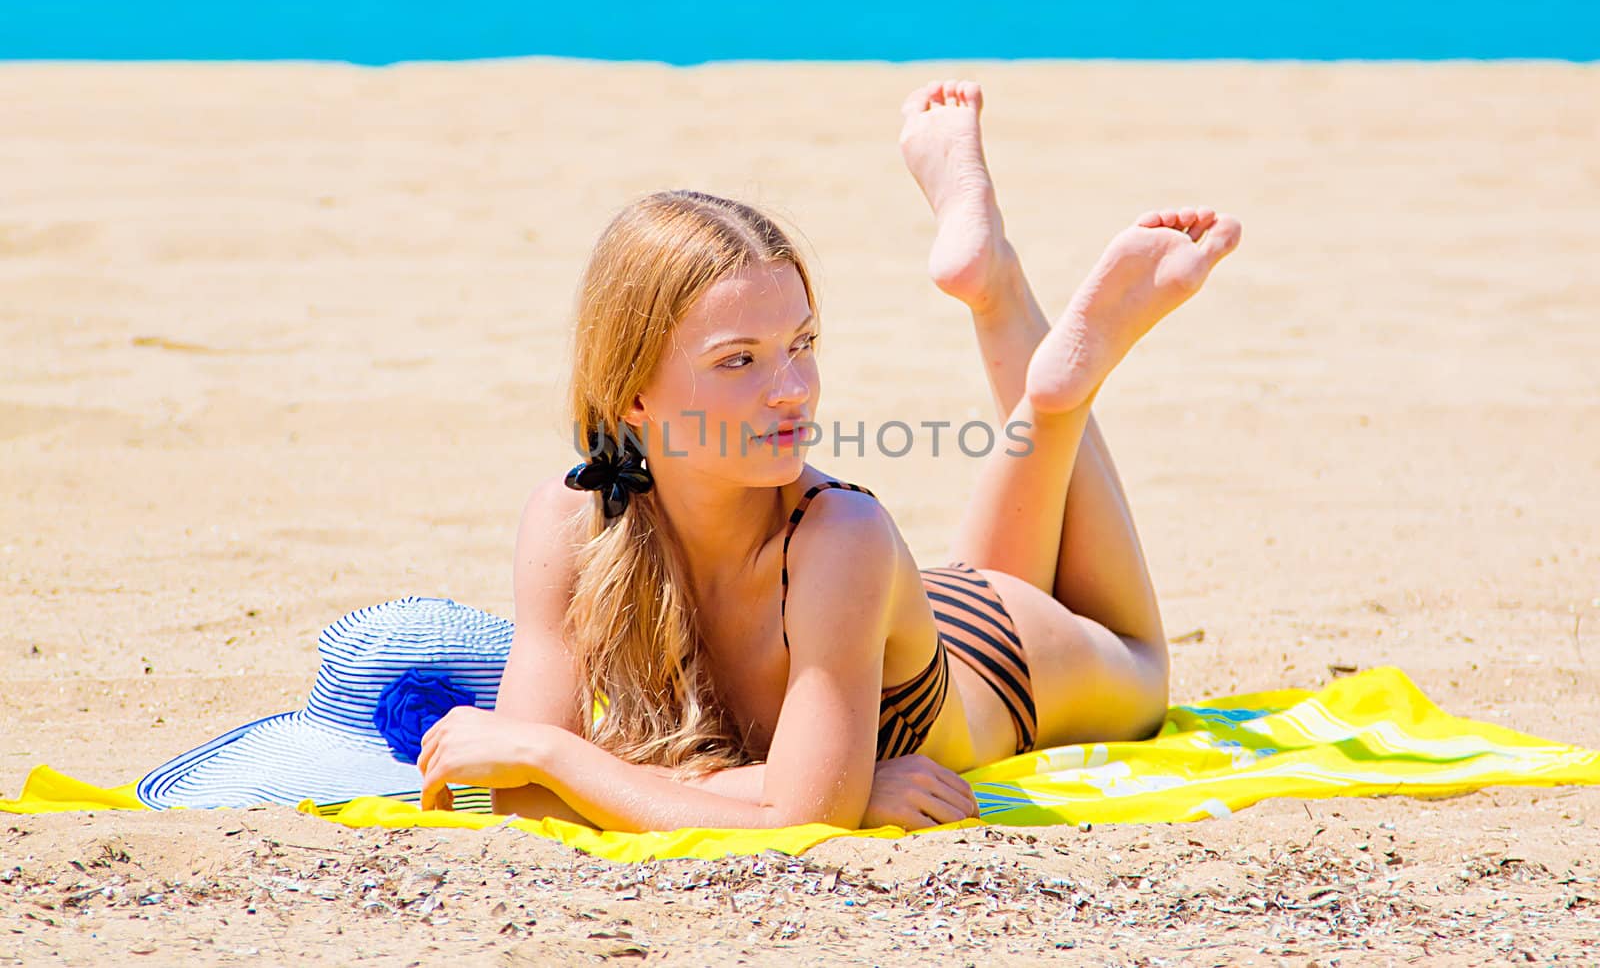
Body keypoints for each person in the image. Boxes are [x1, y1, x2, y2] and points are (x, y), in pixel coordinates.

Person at [415, 81, 1243, 832]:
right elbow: (519, 798)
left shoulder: (841, 532)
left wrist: (568, 757)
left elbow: (791, 816)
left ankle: (1047, 386)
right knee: (982, 576)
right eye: (740, 359)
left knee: (1140, 668)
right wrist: (803, 784)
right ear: (632, 395)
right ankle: (997, 302)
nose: (793, 390)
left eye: (801, 345)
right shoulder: (570, 520)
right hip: (889, 621)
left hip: (1009, 660)